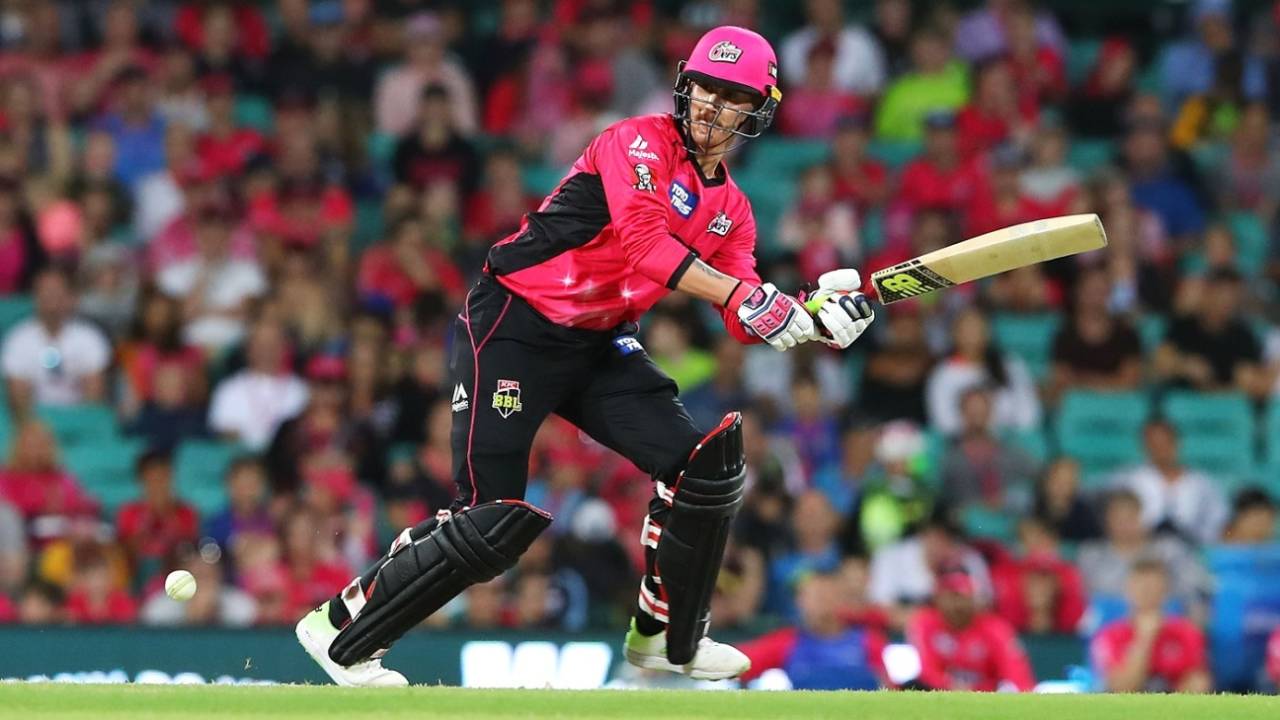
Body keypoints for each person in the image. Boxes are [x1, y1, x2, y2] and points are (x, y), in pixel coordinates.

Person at [294, 26, 877, 687]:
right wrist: (754, 296)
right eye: (706, 89)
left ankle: (665, 638)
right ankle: (341, 629)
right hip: (515, 322)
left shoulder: (733, 213)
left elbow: (745, 319)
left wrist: (812, 322)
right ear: (685, 87)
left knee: (702, 472)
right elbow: (647, 249)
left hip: (599, 341)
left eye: (733, 96)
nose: (713, 106)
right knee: (490, 520)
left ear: (758, 110)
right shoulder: (635, 142)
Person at [738, 571, 887, 690]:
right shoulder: (787, 642)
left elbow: (889, 689)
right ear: (800, 602)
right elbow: (739, 664)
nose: (821, 603)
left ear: (841, 598)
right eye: (814, 596)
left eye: (826, 595)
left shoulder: (868, 641)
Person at [1090, 558, 1212, 693]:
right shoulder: (1109, 636)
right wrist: (1145, 639)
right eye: (1141, 585)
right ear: (1128, 588)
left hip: (1171, 708)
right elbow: (1122, 688)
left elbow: (1198, 684)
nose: (1146, 592)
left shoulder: (1187, 633)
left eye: (1153, 585)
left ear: (1165, 590)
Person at [1, 267, 111, 416]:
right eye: (45, 291)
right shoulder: (18, 339)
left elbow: (94, 396)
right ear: (35, 296)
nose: (51, 297)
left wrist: (79, 422)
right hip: (36, 421)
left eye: (56, 291)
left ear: (71, 297)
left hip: (79, 418)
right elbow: (18, 398)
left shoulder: (89, 337)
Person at [905, 571, 1036, 692]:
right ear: (938, 599)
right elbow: (927, 671)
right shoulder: (926, 623)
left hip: (986, 699)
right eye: (950, 597)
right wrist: (953, 687)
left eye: (962, 597)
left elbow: (1017, 673)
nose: (956, 605)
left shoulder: (995, 628)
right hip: (940, 697)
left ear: (974, 600)